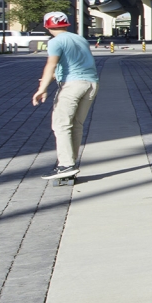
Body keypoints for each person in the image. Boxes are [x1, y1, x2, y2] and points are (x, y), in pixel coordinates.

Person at [30, 10, 98, 184]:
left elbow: (51, 65)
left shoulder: (55, 41)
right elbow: (71, 65)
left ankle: (66, 164)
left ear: (47, 26)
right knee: (76, 125)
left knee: (61, 125)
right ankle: (70, 164)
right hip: (91, 84)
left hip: (72, 86)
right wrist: (52, 78)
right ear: (66, 24)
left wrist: (42, 88)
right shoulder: (80, 39)